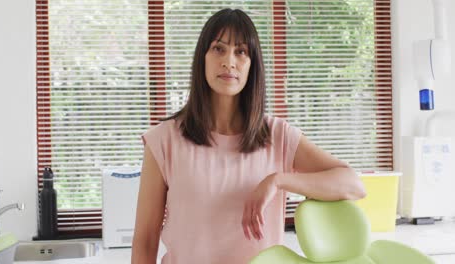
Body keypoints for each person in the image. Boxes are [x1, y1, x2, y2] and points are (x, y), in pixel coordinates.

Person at [131, 8, 366, 264]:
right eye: (219, 48)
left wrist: (278, 181)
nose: (229, 61)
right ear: (203, 58)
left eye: (241, 51)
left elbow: (352, 184)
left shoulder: (278, 136)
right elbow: (145, 240)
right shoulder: (164, 140)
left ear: (252, 64)